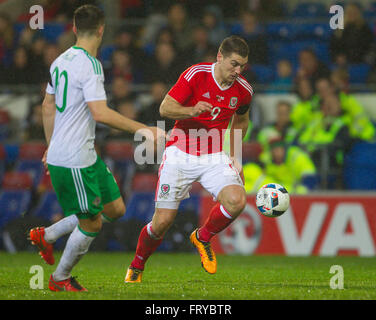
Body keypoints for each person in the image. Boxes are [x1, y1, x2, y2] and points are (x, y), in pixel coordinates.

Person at [28, 4, 164, 292]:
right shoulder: (91, 66)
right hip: (74, 158)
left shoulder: (59, 61)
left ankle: (48, 235)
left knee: (115, 209)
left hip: (84, 154)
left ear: (75, 28)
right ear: (102, 29)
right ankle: (59, 278)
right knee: (92, 224)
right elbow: (100, 113)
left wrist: (50, 144)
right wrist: (144, 128)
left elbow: (47, 105)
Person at [125, 35, 253, 283]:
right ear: (220, 56)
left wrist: (236, 156)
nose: (238, 71)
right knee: (162, 223)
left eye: (242, 66)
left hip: (214, 155)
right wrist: (190, 110)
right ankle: (137, 265)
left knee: (237, 201)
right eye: (234, 64)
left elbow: (242, 119)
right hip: (180, 152)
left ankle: (203, 236)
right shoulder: (196, 74)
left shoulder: (244, 90)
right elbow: (165, 108)